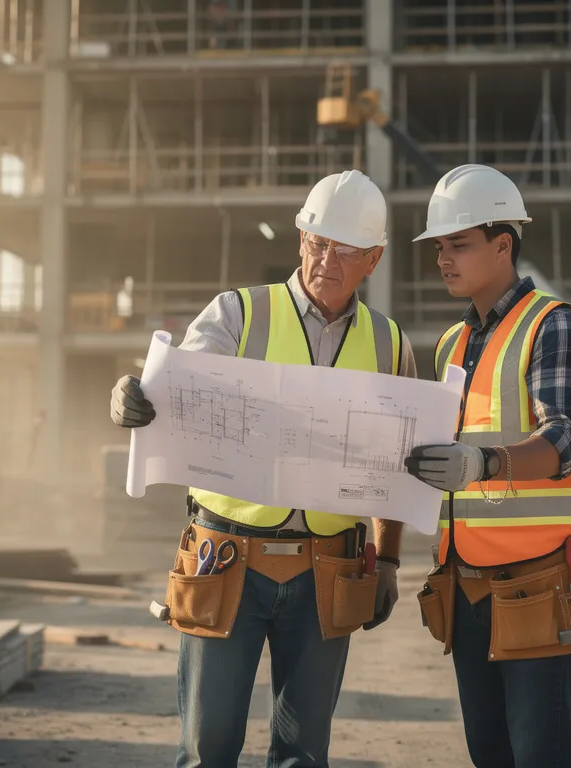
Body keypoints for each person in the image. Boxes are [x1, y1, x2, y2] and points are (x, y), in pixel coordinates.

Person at [109, 169, 416, 768]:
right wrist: (132, 394)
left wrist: (390, 561)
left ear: (373, 259)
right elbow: (176, 391)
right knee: (207, 750)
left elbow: (393, 467)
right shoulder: (237, 315)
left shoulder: (389, 344)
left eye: (346, 249)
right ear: (301, 239)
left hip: (329, 565)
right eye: (318, 242)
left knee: (304, 755)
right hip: (226, 559)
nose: (327, 259)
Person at [402, 164, 571, 768]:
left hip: (540, 581)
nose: (445, 258)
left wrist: (483, 461)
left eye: (459, 245)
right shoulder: (452, 343)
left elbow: (564, 440)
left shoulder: (556, 325)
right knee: (489, 751)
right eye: (440, 247)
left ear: (503, 245)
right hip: (468, 583)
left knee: (539, 752)